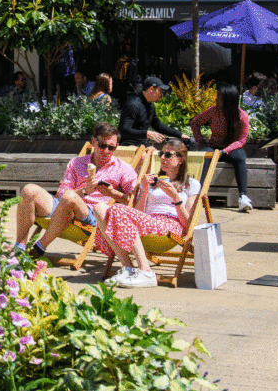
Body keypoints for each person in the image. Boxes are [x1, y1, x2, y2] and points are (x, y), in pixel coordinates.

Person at [14, 121, 138, 258]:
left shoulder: (123, 169)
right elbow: (62, 194)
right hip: (64, 204)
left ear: (116, 147)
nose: (106, 151)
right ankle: (19, 247)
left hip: (93, 213)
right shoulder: (77, 163)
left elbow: (132, 200)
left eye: (111, 147)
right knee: (29, 190)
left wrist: (111, 193)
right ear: (93, 142)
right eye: (102, 146)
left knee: (70, 197)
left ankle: (40, 246)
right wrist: (85, 191)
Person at [94, 139, 201, 288]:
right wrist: (144, 189)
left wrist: (175, 197)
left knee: (117, 209)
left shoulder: (191, 184)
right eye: (161, 153)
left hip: (170, 225)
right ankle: (129, 268)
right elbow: (137, 214)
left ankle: (146, 271)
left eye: (168, 154)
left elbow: (188, 224)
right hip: (148, 221)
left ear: (180, 160)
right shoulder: (152, 181)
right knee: (99, 207)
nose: (162, 157)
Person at [191, 83, 252, 212]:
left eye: (220, 97)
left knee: (240, 157)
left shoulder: (242, 116)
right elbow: (195, 122)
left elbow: (241, 140)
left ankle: (243, 197)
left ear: (229, 100)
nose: (217, 99)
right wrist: (200, 140)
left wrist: (224, 151)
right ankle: (198, 195)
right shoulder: (214, 111)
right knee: (205, 155)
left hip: (232, 149)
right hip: (213, 146)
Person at [118, 76, 189, 147]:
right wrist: (146, 133)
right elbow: (124, 130)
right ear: (151, 89)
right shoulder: (133, 105)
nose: (161, 95)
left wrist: (180, 135)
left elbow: (157, 125)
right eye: (160, 91)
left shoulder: (150, 106)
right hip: (128, 145)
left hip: (141, 144)